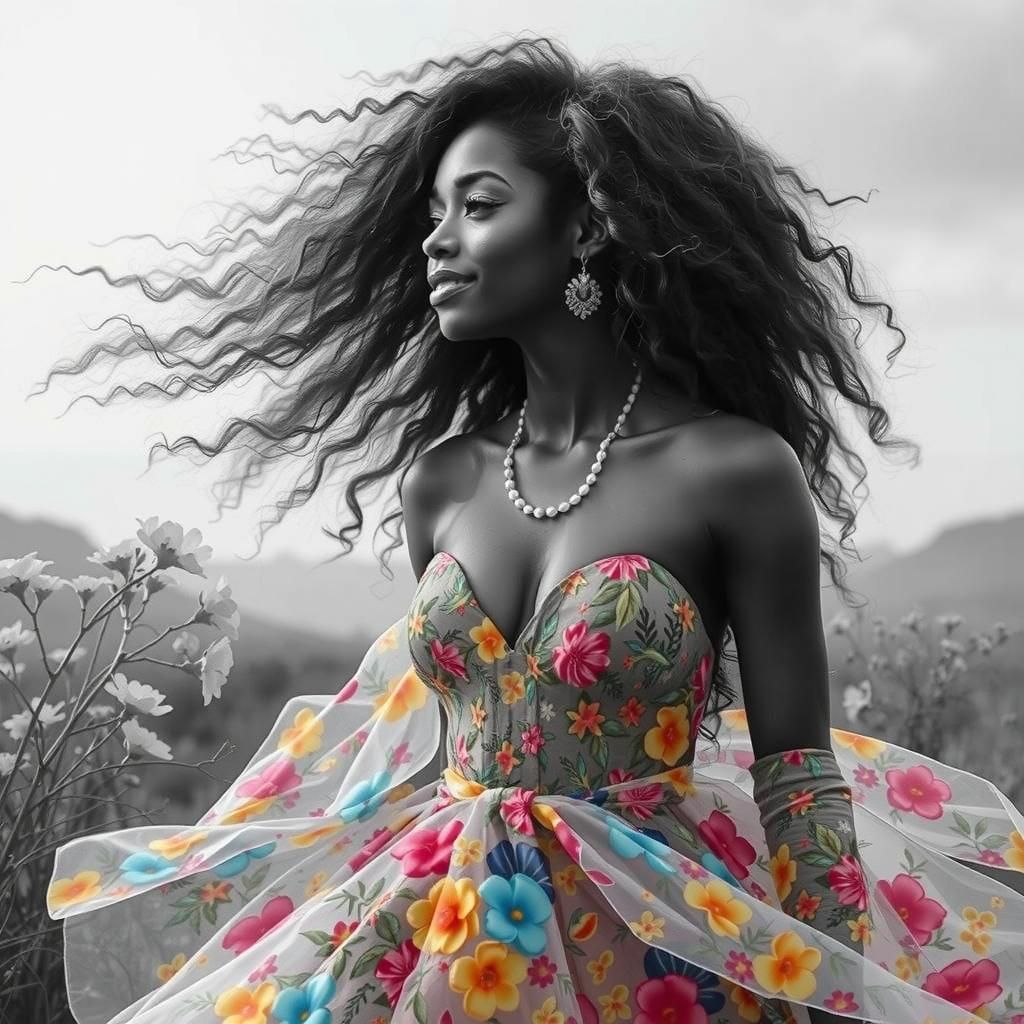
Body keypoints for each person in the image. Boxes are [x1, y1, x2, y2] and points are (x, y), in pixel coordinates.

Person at [40, 36, 1024, 1024]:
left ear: (585, 227)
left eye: (477, 205)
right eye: (435, 214)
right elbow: (436, 758)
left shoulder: (733, 470)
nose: (437, 240)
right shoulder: (445, 483)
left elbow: (797, 783)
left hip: (657, 951)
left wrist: (841, 1000)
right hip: (440, 941)